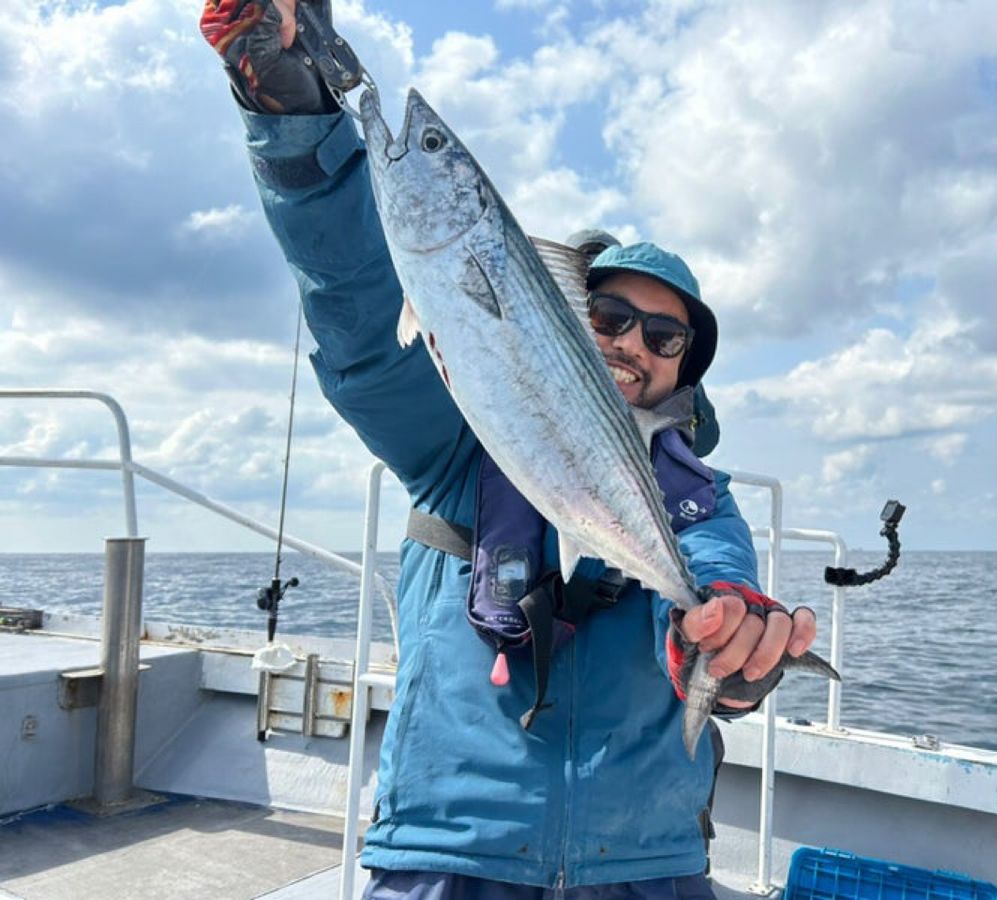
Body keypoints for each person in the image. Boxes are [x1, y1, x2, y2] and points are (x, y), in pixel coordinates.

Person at [200, 2, 818, 897]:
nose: (632, 344)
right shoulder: (457, 447)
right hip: (449, 853)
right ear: (564, 315)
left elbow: (717, 578)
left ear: (686, 371)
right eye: (607, 318)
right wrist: (295, 125)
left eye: (664, 336)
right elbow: (359, 314)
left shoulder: (702, 501)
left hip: (647, 866)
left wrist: (731, 639)